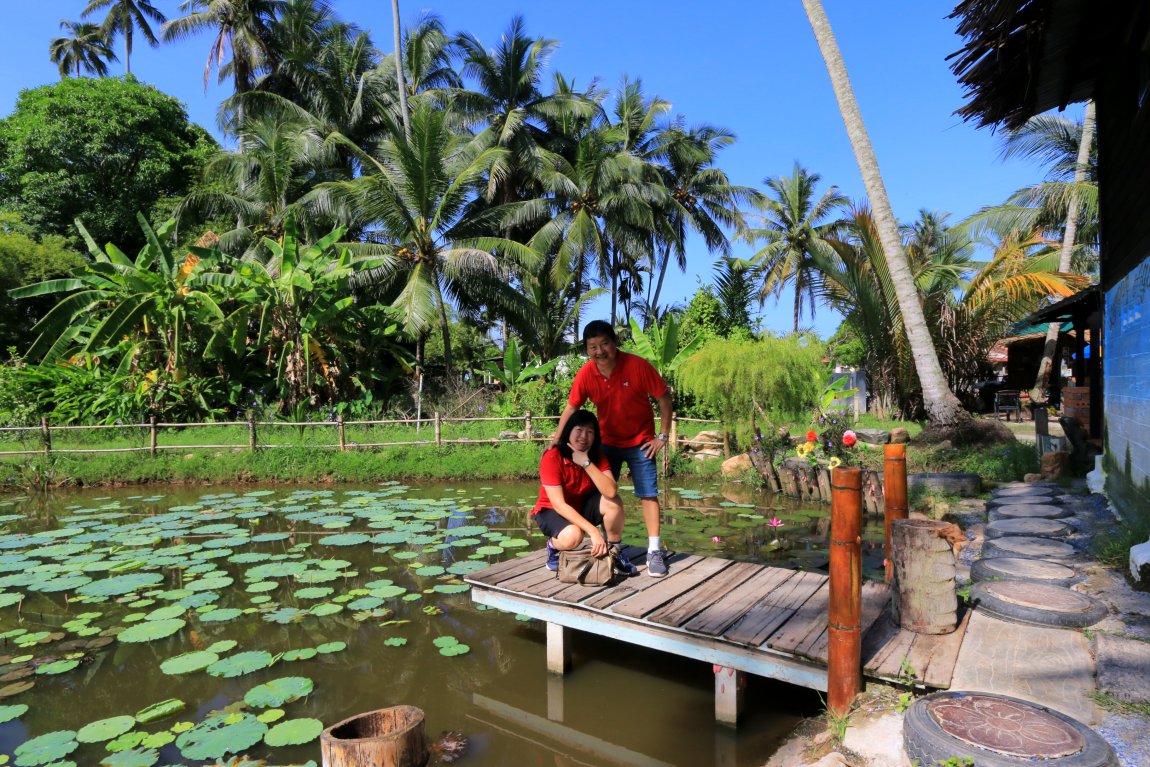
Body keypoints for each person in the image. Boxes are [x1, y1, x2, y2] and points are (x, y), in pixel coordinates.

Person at [553, 320, 673, 577]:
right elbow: (572, 407)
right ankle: (612, 547)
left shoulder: (637, 366)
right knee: (606, 497)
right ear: (587, 349)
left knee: (648, 494)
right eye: (592, 346)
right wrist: (557, 438)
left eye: (604, 343)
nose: (599, 351)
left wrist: (662, 435)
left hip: (641, 443)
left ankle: (653, 551)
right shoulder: (586, 373)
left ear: (614, 343)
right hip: (607, 444)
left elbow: (664, 396)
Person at [532, 409, 636, 576]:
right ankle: (553, 547)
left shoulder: (597, 456)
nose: (583, 436)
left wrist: (586, 462)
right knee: (574, 536)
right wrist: (593, 531)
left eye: (590, 432)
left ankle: (615, 552)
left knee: (613, 501)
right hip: (551, 510)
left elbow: (610, 491)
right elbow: (559, 505)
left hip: (581, 506)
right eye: (579, 430)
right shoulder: (553, 456)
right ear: (569, 431)